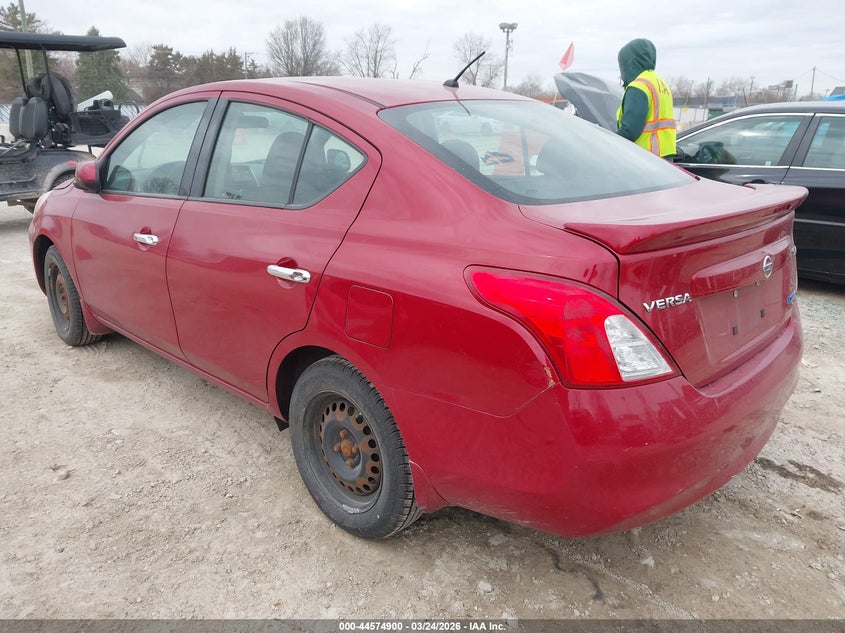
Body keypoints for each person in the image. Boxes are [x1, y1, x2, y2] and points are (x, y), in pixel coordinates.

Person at [616, 38, 676, 158]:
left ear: (630, 63)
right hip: (665, 156)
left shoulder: (639, 86)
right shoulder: (660, 83)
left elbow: (630, 130)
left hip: (645, 157)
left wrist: (609, 143)